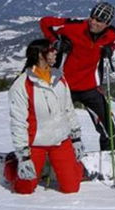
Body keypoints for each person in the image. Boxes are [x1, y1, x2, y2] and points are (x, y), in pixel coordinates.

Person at [40, 2, 115, 151]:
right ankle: (50, 160)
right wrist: (56, 42)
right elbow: (45, 22)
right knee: (54, 127)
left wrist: (109, 50)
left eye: (99, 20)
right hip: (64, 86)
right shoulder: (73, 27)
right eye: (92, 17)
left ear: (107, 24)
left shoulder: (112, 35)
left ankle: (111, 160)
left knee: (111, 128)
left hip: (91, 88)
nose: (93, 22)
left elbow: (114, 42)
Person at [6, 38, 84, 194]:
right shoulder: (22, 85)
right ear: (40, 55)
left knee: (71, 188)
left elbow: (68, 109)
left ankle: (71, 166)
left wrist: (75, 137)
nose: (55, 52)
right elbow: (18, 122)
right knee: (24, 189)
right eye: (50, 50)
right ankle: (11, 164)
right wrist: (23, 157)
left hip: (60, 140)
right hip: (36, 143)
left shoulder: (59, 77)